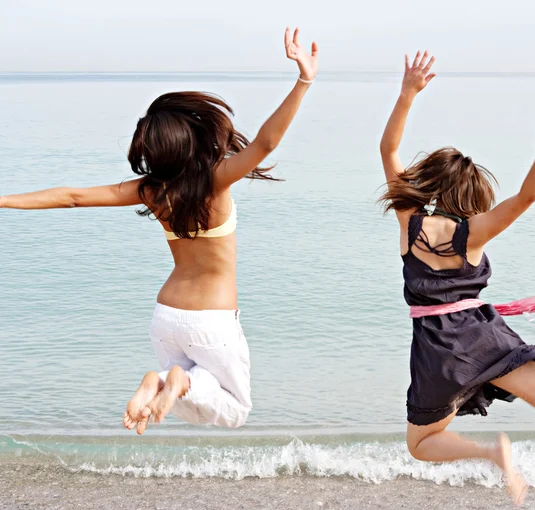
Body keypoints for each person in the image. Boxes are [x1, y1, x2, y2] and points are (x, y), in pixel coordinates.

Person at [0, 27, 319, 435]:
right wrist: (304, 80)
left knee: (186, 402)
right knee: (235, 410)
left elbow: (73, 196)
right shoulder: (215, 182)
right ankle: (173, 381)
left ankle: (163, 381)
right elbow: (265, 144)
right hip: (212, 321)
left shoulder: (150, 191)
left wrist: (6, 199)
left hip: (167, 318)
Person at [379, 50, 535, 506]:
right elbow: (528, 196)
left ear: (430, 182)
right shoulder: (473, 233)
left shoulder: (408, 220)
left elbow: (388, 150)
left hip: (439, 351)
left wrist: (407, 95)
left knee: (420, 445)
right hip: (484, 336)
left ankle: (489, 453)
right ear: (470, 194)